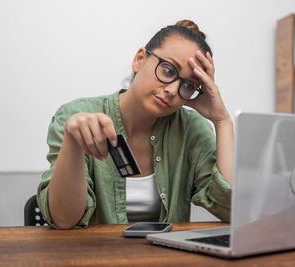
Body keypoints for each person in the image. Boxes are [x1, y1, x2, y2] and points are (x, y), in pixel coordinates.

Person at [37, 19, 234, 229]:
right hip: (94, 257)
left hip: (165, 258)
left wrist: (222, 120)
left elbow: (231, 210)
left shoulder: (191, 128)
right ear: (139, 59)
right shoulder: (75, 116)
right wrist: (72, 141)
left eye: (188, 85)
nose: (172, 90)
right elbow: (64, 220)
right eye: (168, 70)